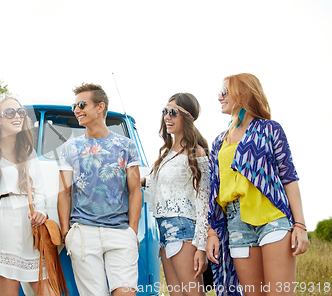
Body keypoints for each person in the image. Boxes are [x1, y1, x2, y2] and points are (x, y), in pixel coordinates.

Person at [206, 73, 308, 296]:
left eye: (224, 91)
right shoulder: (218, 141)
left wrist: (299, 225)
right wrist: (212, 231)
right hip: (236, 224)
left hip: (272, 218)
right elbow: (213, 191)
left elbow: (288, 177)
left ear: (241, 94)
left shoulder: (270, 129)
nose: (219, 97)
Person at [57, 83, 142, 296]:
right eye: (74, 106)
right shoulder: (69, 148)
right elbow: (64, 193)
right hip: (84, 234)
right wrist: (67, 233)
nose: (76, 110)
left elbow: (134, 190)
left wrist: (132, 230)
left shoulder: (126, 146)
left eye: (82, 104)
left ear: (100, 106)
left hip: (121, 233)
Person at [0, 97, 55, 296]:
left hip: (30, 229)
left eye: (20, 112)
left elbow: (38, 191)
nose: (17, 116)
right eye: (10, 112)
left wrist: (41, 212)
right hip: (4, 228)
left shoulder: (28, 152)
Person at [143, 93, 209, 296]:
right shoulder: (165, 154)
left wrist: (201, 247)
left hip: (184, 230)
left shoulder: (195, 152)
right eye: (165, 111)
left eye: (173, 112)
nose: (167, 117)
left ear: (187, 117)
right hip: (164, 233)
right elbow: (153, 190)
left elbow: (204, 200)